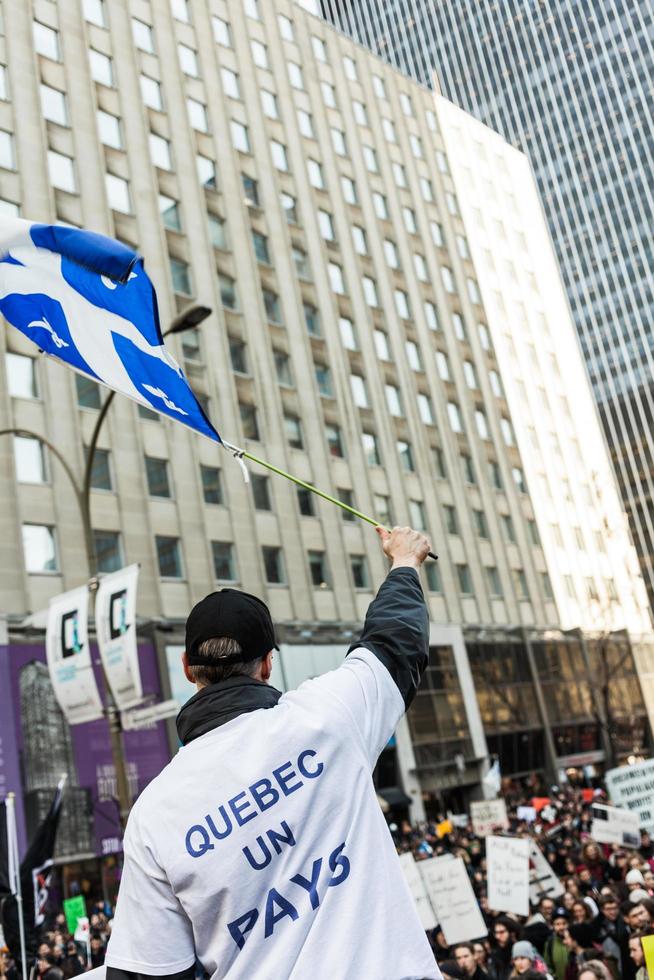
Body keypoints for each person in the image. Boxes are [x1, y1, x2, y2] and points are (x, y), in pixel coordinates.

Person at [105, 526, 438, 980]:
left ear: (187, 670)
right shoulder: (328, 716)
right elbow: (395, 641)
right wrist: (404, 561)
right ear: (267, 663)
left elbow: (149, 972)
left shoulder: (152, 815)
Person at [545, 908, 570, 980]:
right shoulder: (550, 943)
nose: (561, 927)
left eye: (564, 923)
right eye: (557, 924)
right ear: (553, 926)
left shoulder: (574, 940)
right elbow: (547, 965)